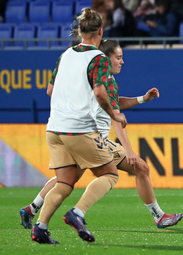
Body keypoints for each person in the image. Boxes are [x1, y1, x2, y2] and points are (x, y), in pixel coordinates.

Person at [20, 40, 183, 232]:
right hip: (93, 138)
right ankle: (157, 216)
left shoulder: (91, 77)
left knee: (66, 179)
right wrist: (129, 151)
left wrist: (141, 99)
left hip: (71, 133)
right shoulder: (105, 80)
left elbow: (113, 102)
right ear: (106, 59)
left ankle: (32, 209)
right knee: (138, 168)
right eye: (119, 58)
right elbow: (115, 118)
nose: (122, 62)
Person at [30, 8, 127, 244]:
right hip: (78, 129)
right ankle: (77, 213)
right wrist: (114, 111)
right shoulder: (99, 58)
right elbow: (100, 92)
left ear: (80, 31)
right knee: (109, 174)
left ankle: (40, 228)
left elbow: (50, 90)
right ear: (100, 31)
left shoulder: (65, 55)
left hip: (54, 128)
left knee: (64, 182)